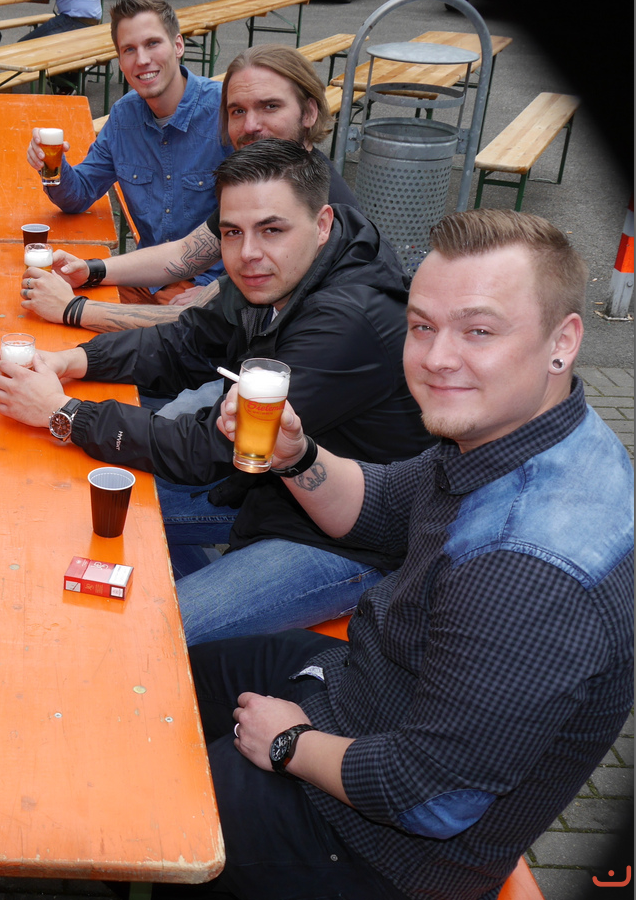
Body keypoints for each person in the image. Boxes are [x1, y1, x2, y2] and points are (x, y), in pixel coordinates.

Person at [177, 208, 634, 899]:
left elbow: (430, 798)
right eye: (422, 326)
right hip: (365, 688)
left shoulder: (529, 566)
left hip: (376, 849)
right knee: (164, 673)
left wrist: (288, 744)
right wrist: (295, 455)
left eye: (478, 331)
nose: (436, 358)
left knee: (146, 815)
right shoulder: (521, 431)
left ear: (562, 341)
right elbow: (382, 505)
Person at [0, 140, 432, 641]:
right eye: (232, 232)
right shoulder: (278, 275)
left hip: (349, 543)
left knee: (151, 635)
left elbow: (204, 450)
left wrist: (65, 413)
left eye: (272, 229)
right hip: (262, 489)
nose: (248, 254)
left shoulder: (347, 321)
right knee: (86, 503)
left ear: (323, 223)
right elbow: (183, 342)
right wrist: (71, 360)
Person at [22, 44, 357, 333]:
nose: (251, 125)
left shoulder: (322, 211)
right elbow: (184, 254)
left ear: (309, 112)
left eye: (270, 106)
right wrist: (91, 270)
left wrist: (72, 309)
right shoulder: (273, 182)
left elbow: (194, 323)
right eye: (238, 111)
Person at [25, 0, 232, 304]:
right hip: (145, 278)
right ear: (120, 61)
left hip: (206, 288)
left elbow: (264, 220)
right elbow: (79, 195)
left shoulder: (226, 113)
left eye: (152, 44)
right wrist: (51, 166)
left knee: (74, 316)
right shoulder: (124, 117)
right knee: (42, 295)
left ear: (178, 45)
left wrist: (220, 290)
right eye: (129, 50)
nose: (142, 59)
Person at [17, 0, 103, 94]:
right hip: (91, 21)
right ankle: (70, 77)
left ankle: (70, 81)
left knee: (22, 48)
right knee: (36, 45)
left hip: (73, 20)